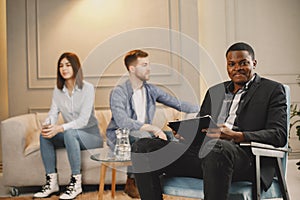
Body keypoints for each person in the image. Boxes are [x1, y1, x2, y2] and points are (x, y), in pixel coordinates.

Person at [131, 42, 288, 200]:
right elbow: (203, 126)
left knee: (217, 147)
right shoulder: (215, 91)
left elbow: (279, 134)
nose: (237, 68)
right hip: (204, 156)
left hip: (246, 159)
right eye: (231, 64)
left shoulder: (272, 90)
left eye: (243, 63)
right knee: (142, 146)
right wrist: (187, 133)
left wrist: (236, 135)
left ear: (254, 63)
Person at [106, 49, 200, 198]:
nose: (149, 68)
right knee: (143, 137)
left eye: (149, 64)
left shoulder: (151, 90)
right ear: (132, 68)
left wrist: (205, 108)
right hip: (120, 136)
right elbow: (122, 121)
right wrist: (153, 128)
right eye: (144, 65)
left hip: (144, 134)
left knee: (174, 138)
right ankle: (133, 181)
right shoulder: (119, 92)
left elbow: (177, 103)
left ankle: (169, 176)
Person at [33, 52, 103, 199]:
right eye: (61, 65)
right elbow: (53, 113)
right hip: (71, 136)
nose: (64, 68)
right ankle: (52, 182)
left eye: (68, 65)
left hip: (91, 136)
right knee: (45, 136)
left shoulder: (87, 88)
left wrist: (59, 128)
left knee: (70, 133)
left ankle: (76, 183)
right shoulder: (58, 91)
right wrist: (48, 125)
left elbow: (83, 120)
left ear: (75, 67)